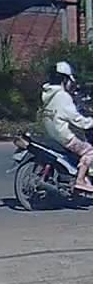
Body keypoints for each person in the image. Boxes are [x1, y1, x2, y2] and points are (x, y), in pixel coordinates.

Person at [40, 60, 93, 194]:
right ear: (64, 79)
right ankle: (80, 180)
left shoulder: (48, 94)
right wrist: (90, 122)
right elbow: (75, 118)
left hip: (52, 132)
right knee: (89, 151)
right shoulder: (62, 96)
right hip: (64, 136)